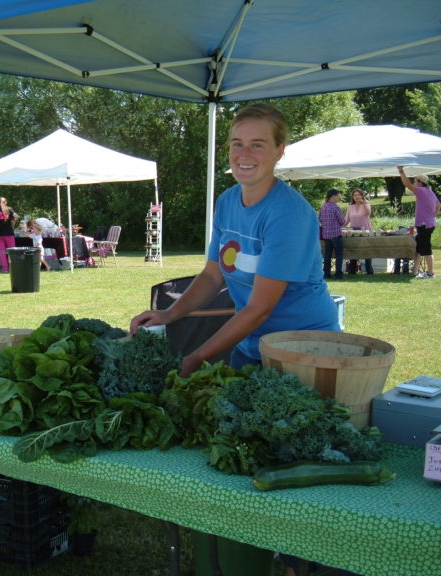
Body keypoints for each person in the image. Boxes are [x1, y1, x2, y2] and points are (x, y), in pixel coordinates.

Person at [130, 102, 342, 576]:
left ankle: (297, 561)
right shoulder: (228, 201)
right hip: (251, 347)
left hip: (301, 352)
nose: (244, 154)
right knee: (243, 453)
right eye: (236, 144)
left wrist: (197, 356)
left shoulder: (291, 215)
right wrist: (168, 314)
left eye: (257, 144)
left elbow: (259, 308)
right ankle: (251, 551)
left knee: (293, 461)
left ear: (279, 150)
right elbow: (211, 275)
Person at [398, 168, 440, 278]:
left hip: (425, 225)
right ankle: (415, 271)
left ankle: (430, 273)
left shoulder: (421, 190)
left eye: (415, 181)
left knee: (426, 250)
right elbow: (439, 204)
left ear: (419, 182)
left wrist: (401, 171)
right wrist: (434, 214)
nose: (413, 183)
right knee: (418, 249)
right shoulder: (429, 191)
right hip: (427, 224)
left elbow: (407, 184)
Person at [344, 188, 374, 274]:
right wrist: (339, 226)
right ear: (352, 197)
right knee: (353, 250)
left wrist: (364, 202)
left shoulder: (366, 204)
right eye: (355, 195)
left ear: (362, 196)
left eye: (358, 195)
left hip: (366, 230)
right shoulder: (350, 207)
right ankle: (352, 270)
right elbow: (346, 220)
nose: (357, 197)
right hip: (354, 232)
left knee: (367, 250)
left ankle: (369, 270)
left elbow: (368, 213)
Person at [320, 188, 346, 280]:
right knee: (339, 255)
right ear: (333, 196)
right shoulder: (335, 207)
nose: (339, 197)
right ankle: (338, 274)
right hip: (336, 234)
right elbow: (342, 221)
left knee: (328, 255)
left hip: (326, 234)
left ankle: (326, 273)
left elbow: (320, 219)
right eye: (339, 195)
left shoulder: (323, 206)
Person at [0, 196, 19, 272]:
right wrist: (13, 222)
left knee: (2, 252)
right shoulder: (9, 209)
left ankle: (5, 268)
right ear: (6, 202)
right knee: (12, 252)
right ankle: (13, 268)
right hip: (9, 233)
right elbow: (16, 216)